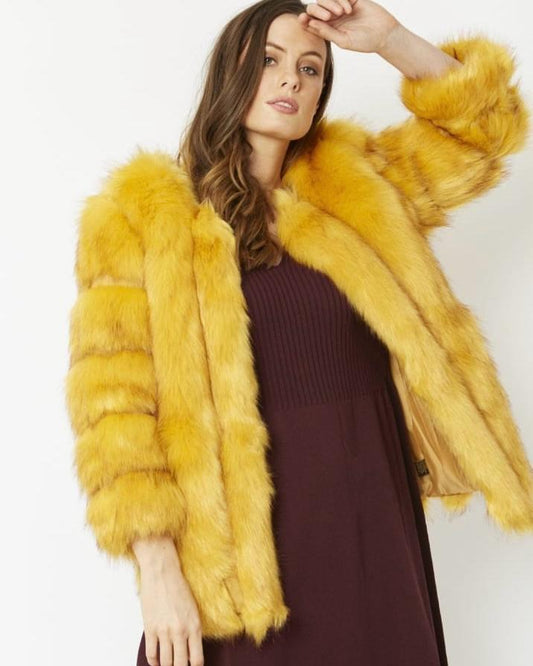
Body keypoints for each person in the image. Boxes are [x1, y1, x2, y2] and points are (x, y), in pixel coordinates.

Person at [64, 1, 533, 665]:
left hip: (371, 519)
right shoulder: (143, 217)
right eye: (269, 61)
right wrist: (159, 573)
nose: (291, 79)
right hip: (242, 553)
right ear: (229, 74)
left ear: (320, 94)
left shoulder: (358, 188)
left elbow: (484, 131)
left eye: (310, 68)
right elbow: (115, 416)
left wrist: (390, 38)